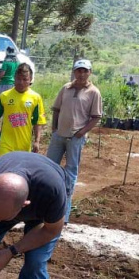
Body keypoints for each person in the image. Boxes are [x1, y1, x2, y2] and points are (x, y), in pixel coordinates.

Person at [46, 59, 102, 222]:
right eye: (79, 70)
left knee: (70, 175)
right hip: (59, 136)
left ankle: (64, 216)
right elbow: (56, 109)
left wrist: (81, 133)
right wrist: (54, 129)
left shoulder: (93, 92)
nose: (81, 74)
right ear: (74, 72)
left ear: (90, 72)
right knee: (49, 169)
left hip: (75, 139)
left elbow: (96, 117)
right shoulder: (66, 88)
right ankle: (46, 208)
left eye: (85, 71)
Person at [0, 64, 46, 157]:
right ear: (14, 78)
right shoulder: (4, 96)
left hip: (24, 145)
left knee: (19, 171)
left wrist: (37, 141)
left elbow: (38, 121)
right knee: (4, 168)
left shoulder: (36, 98)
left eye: (25, 79)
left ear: (30, 80)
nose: (21, 82)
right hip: (6, 144)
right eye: (18, 79)